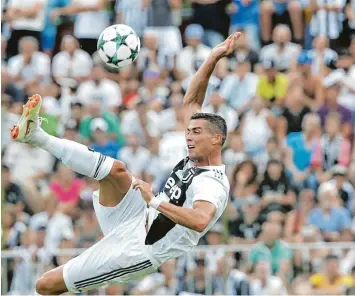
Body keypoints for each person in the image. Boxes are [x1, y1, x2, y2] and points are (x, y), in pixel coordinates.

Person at [9, 33, 241, 295]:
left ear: (217, 140)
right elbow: (191, 101)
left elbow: (200, 220)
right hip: (137, 215)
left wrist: (154, 201)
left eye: (197, 133)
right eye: (189, 131)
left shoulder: (212, 183)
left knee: (45, 285)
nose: (188, 135)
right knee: (116, 170)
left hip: (140, 249)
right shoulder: (194, 157)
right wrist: (213, 57)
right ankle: (36, 136)